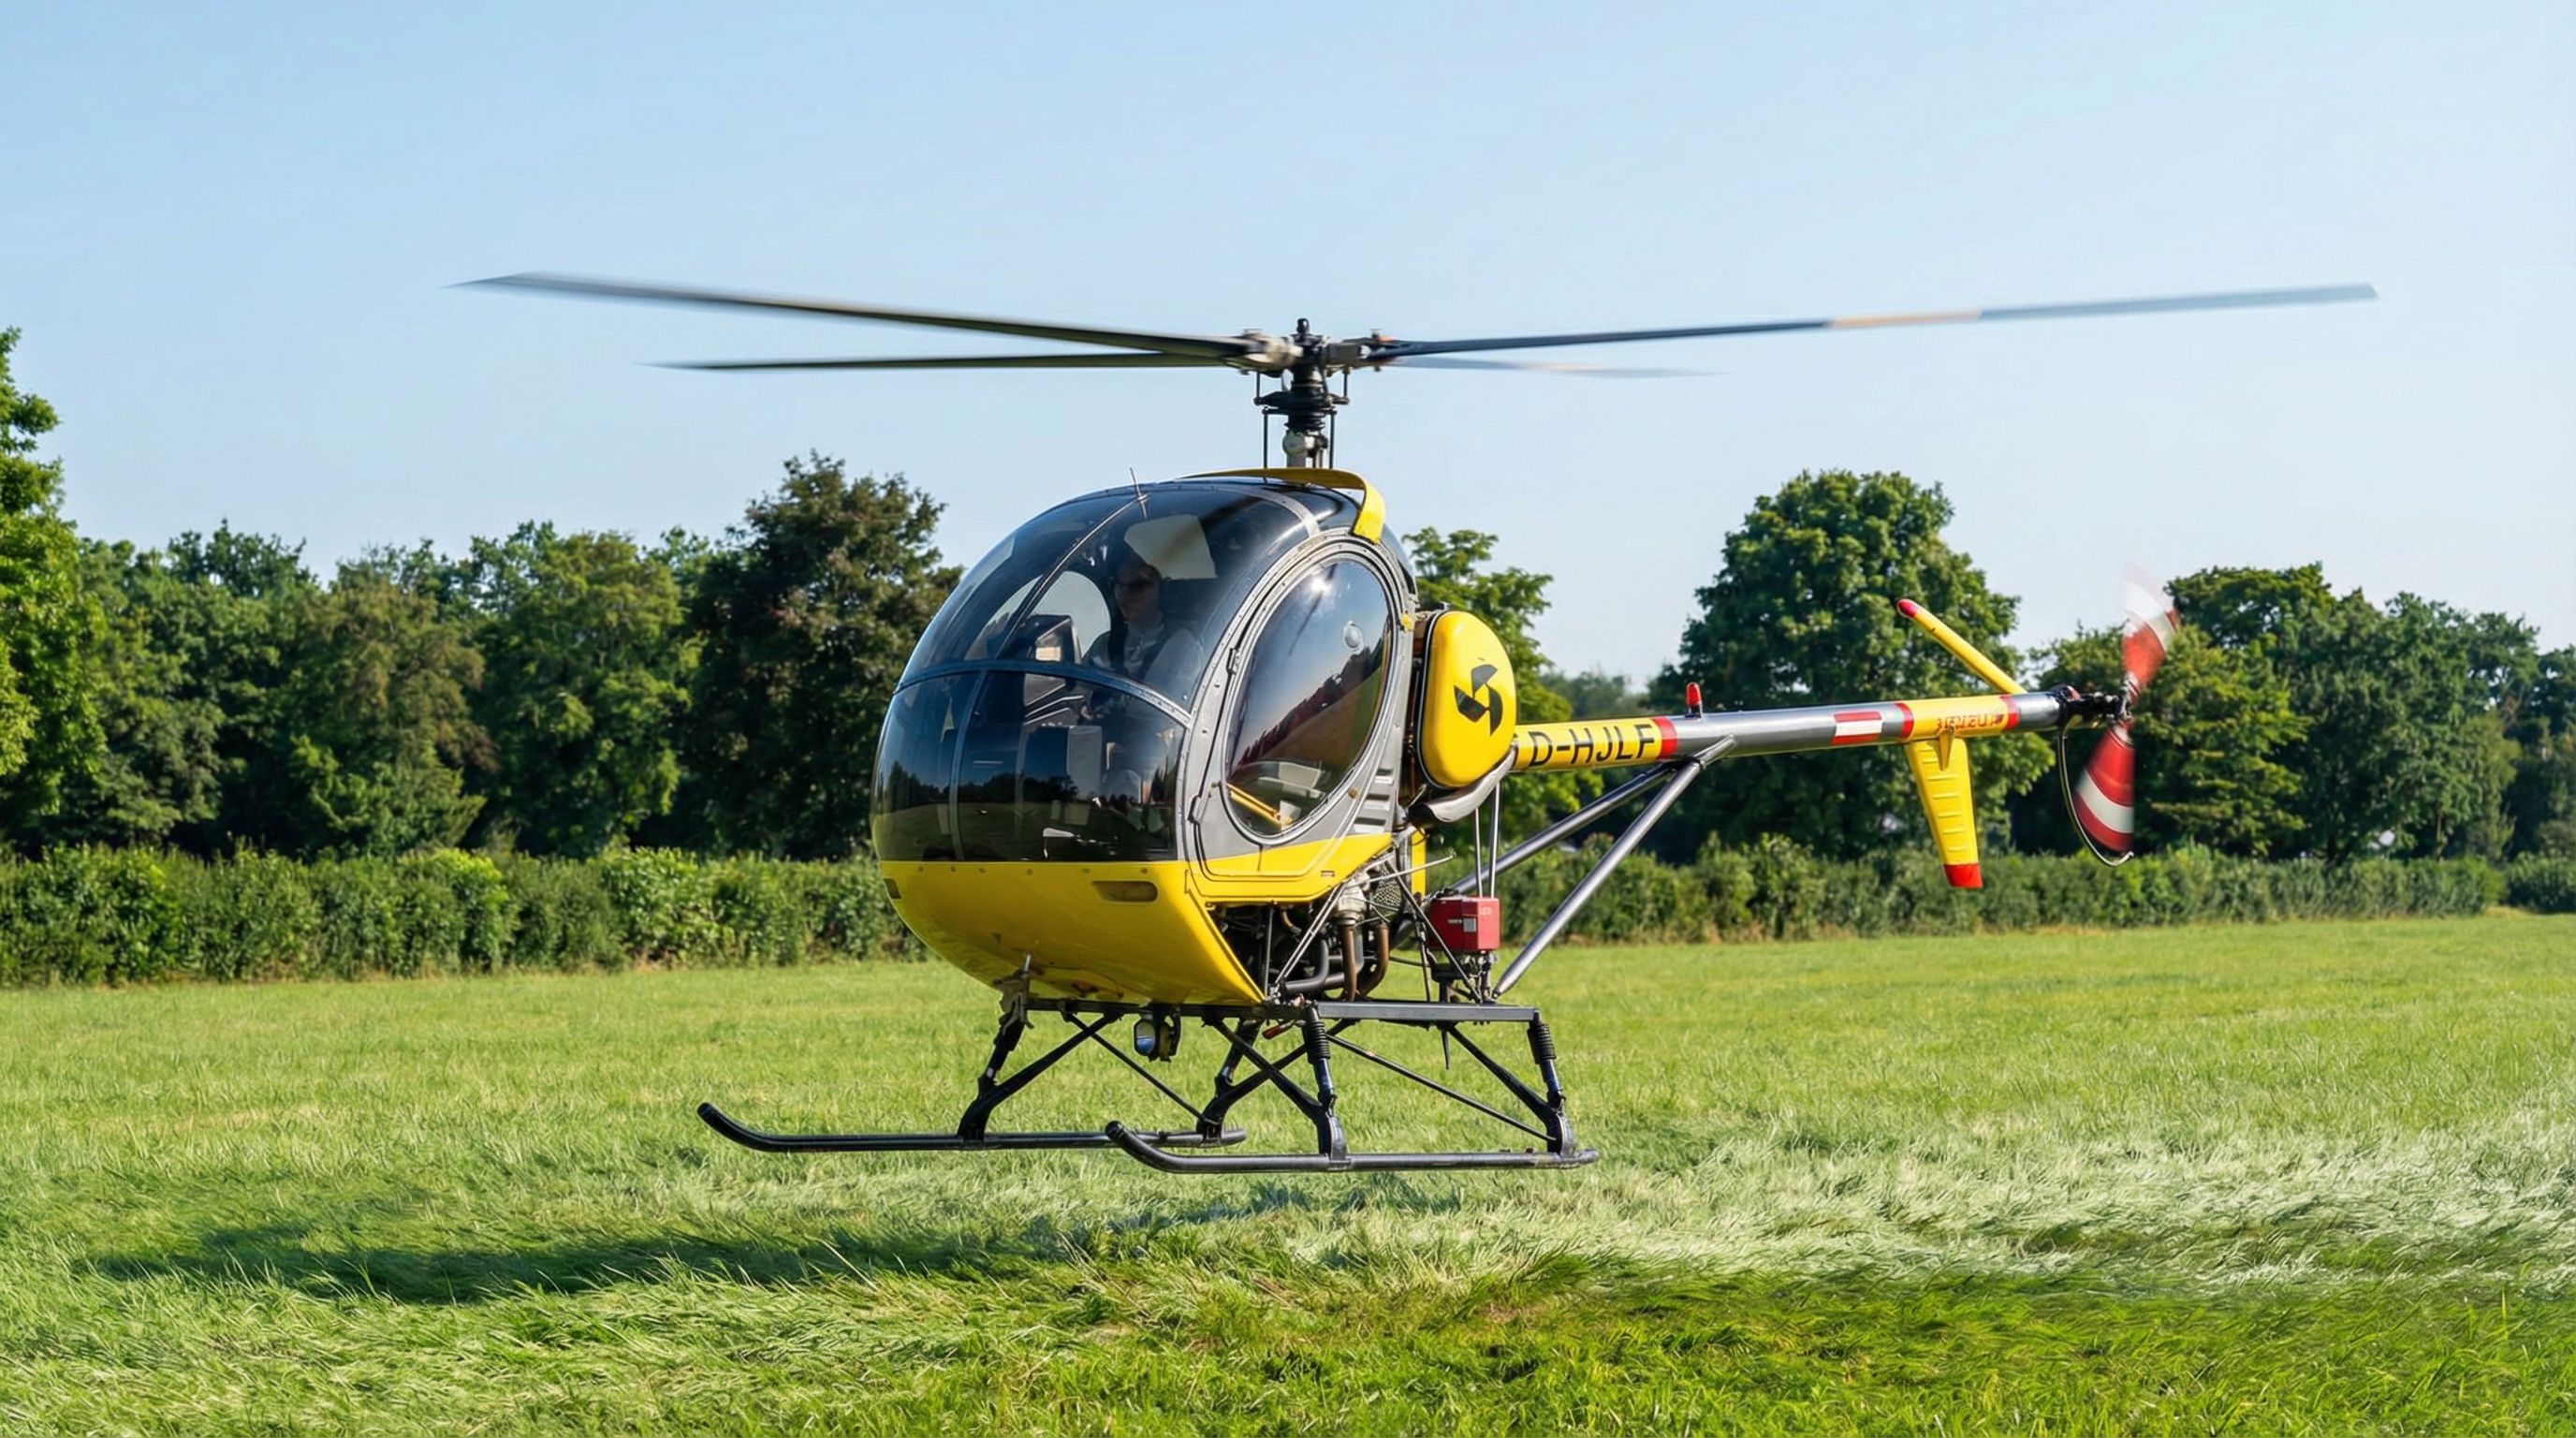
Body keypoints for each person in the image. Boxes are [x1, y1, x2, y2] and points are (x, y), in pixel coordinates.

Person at [1086, 551, 1203, 692]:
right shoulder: (1104, 644)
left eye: (1138, 587)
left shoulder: (1182, 647)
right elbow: (1078, 692)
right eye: (1119, 585)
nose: (1125, 594)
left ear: (1162, 590)